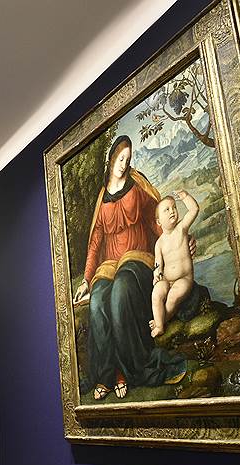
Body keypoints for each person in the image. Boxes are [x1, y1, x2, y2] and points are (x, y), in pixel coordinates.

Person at [72, 135, 187, 401]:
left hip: (138, 257)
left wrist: (177, 242)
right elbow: (95, 242)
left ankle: (133, 369)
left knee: (120, 292)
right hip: (109, 264)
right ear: (111, 159)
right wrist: (87, 279)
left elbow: (156, 220)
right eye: (120, 158)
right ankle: (108, 375)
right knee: (97, 302)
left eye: (128, 158)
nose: (124, 164)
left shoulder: (136, 185)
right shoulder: (102, 198)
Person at [150, 190, 200, 337]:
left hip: (184, 279)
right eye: (167, 210)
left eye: (174, 207)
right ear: (159, 222)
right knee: (156, 293)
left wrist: (185, 197)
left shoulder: (181, 229)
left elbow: (194, 209)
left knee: (172, 297)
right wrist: (157, 274)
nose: (172, 211)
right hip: (167, 280)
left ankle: (161, 322)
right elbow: (158, 264)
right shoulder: (159, 243)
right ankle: (159, 324)